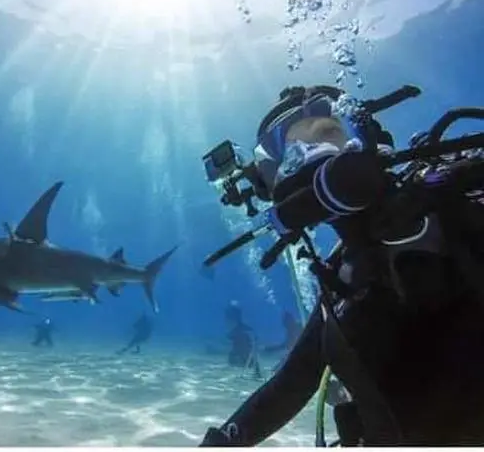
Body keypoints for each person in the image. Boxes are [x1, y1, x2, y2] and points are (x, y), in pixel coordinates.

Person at [199, 84, 484, 446]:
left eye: (327, 134)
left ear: (364, 140)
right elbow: (290, 386)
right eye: (292, 150)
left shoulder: (454, 207)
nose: (312, 152)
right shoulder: (339, 283)